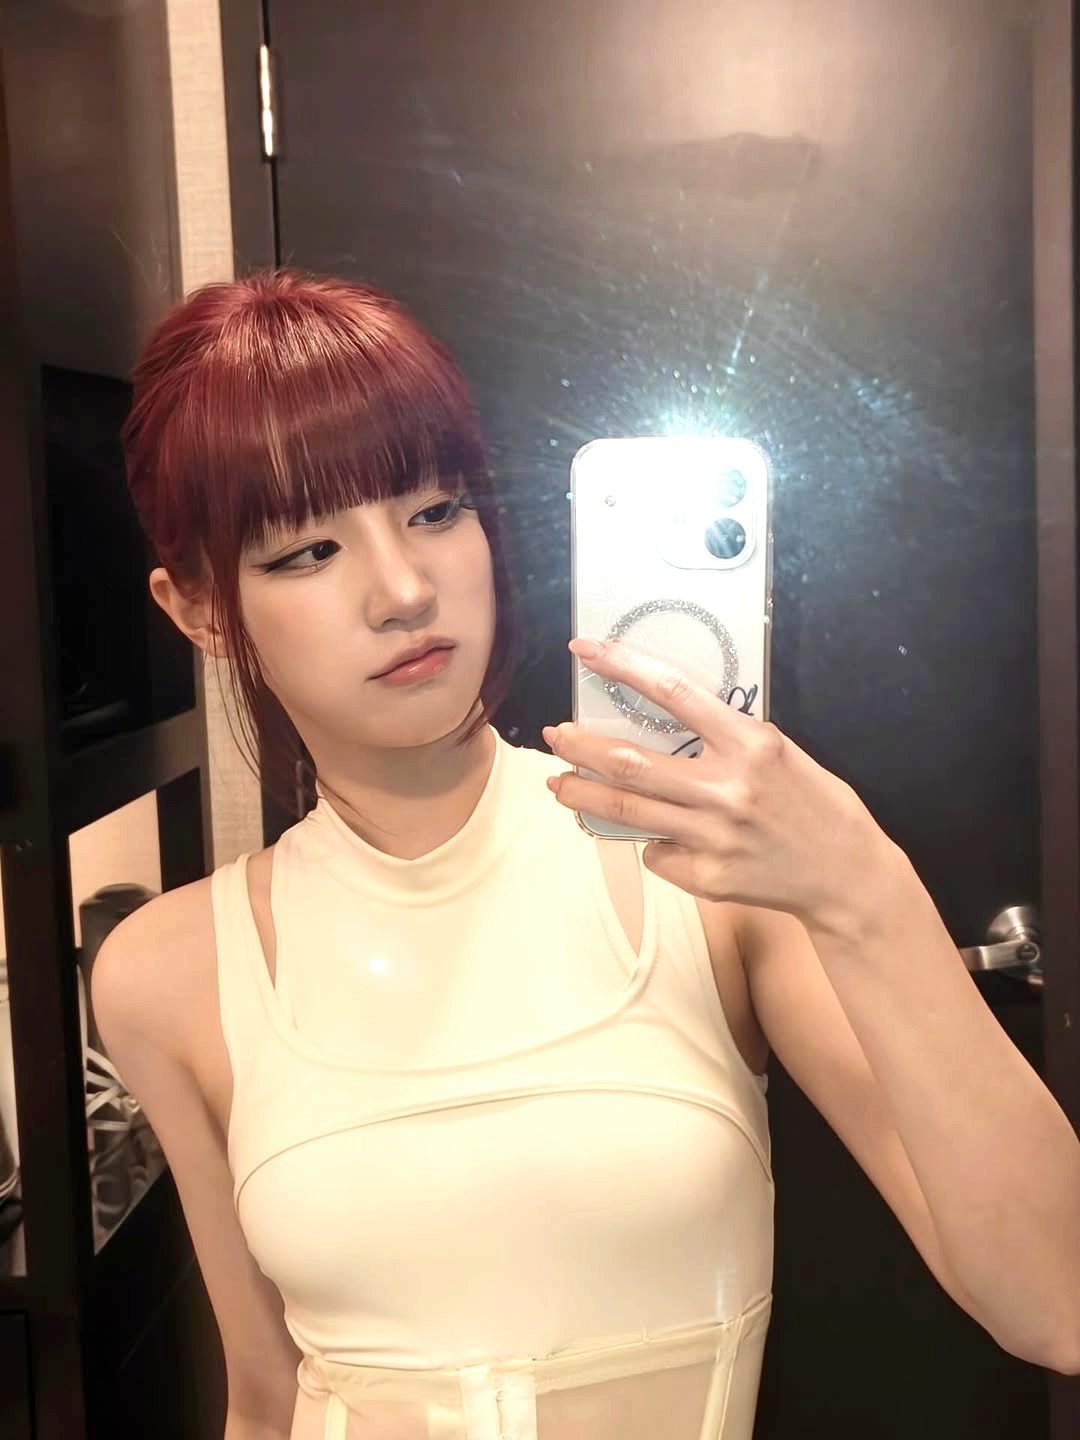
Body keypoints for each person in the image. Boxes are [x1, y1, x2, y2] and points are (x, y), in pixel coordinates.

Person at [92, 270, 1080, 1440]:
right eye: (307, 550)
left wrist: (866, 887)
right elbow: (260, 1400)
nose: (404, 589)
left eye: (436, 509)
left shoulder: (705, 881)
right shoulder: (165, 975)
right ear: (199, 609)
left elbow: (1058, 1301)